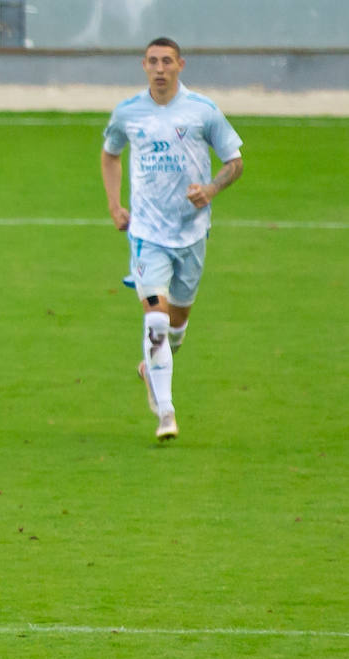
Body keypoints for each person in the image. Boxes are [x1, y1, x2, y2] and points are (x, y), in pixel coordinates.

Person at [100, 36, 244, 440]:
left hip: (192, 234)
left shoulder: (203, 111)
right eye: (152, 61)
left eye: (167, 61)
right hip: (146, 235)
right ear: (143, 65)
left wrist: (211, 189)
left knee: (175, 325)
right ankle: (166, 412)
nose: (159, 68)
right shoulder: (128, 113)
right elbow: (110, 153)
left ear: (181, 64)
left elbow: (235, 161)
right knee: (157, 319)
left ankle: (152, 364)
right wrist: (115, 205)